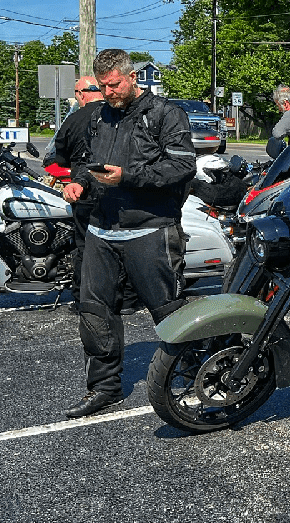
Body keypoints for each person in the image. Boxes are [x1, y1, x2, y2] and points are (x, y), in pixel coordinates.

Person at [61, 49, 197, 418]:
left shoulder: (166, 114)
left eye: (114, 84)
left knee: (170, 313)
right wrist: (79, 185)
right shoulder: (98, 117)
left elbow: (182, 168)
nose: (108, 92)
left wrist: (129, 177)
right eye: (102, 86)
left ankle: (198, 376)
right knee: (93, 313)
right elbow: (88, 165)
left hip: (150, 228)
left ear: (132, 77)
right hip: (101, 229)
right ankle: (104, 389)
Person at [46, 77, 105, 307]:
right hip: (114, 187)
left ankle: (83, 297)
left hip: (84, 187)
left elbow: (58, 156)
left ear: (81, 94)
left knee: (85, 244)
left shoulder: (75, 118)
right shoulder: (116, 114)